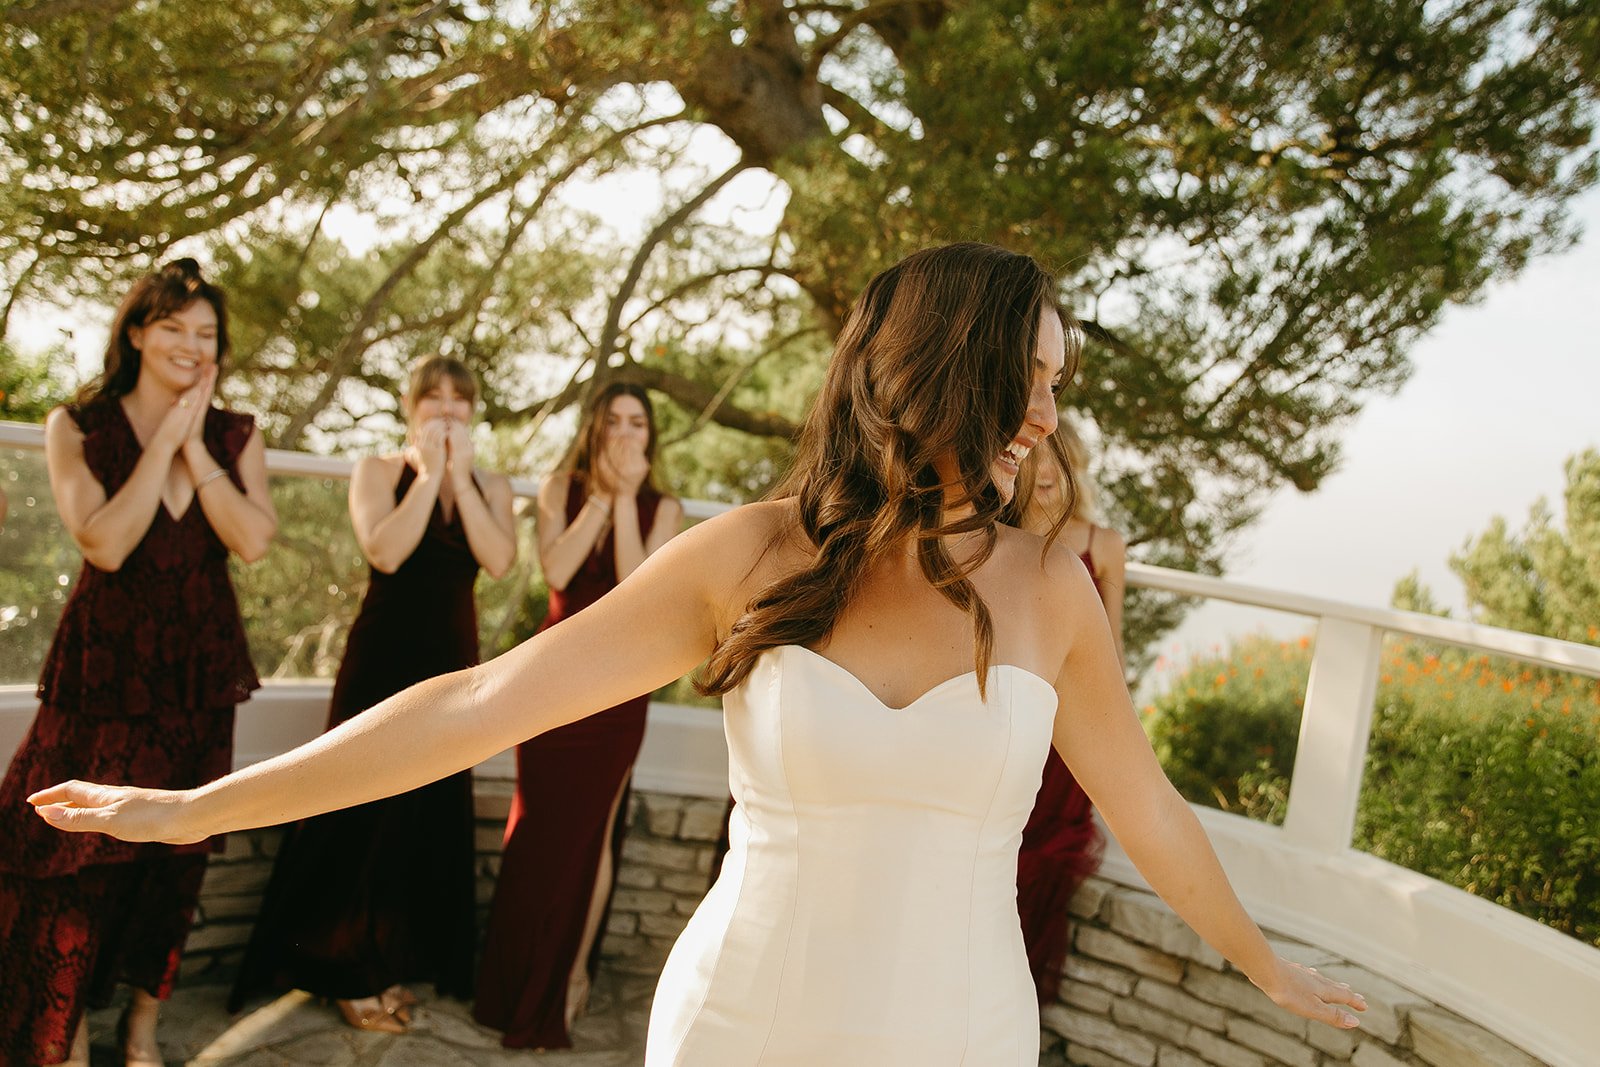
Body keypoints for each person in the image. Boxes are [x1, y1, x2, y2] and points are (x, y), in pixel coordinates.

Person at [32, 243, 1365, 1066]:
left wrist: (1266, 965)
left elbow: (1147, 804)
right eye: (1035, 373)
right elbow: (476, 699)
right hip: (745, 1021)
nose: (1050, 410)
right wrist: (197, 805)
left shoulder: (1052, 586)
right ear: (938, 370)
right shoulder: (751, 554)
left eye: (1059, 380)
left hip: (959, 1033)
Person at [1, 258, 276, 1067]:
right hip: (103, 668)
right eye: (173, 328)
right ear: (135, 331)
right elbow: (107, 542)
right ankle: (66, 1031)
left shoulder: (237, 434)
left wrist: (198, 447)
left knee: (174, 861)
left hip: (198, 669)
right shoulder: (77, 424)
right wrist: (164, 446)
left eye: (206, 333)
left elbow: (254, 540)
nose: (192, 345)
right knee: (72, 848)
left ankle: (143, 1030)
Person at [228, 356, 516, 1032]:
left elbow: (500, 561)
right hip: (384, 656)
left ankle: (386, 958)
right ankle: (337, 968)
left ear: (473, 410)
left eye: (459, 398)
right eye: (432, 397)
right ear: (410, 405)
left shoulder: (491, 483)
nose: (446, 408)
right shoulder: (377, 470)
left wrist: (460, 483)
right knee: (357, 804)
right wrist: (428, 477)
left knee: (424, 808)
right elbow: (385, 550)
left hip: (452, 664)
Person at [474, 382, 683, 1050]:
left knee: (594, 834)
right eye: (614, 422)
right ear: (594, 429)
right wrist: (599, 493)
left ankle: (567, 978)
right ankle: (506, 984)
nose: (626, 435)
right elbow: (559, 569)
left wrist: (626, 498)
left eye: (638, 424)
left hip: (620, 686)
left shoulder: (665, 505)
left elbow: (635, 591)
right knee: (534, 825)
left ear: (652, 437)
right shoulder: (560, 488)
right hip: (555, 675)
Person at [1010, 422, 1128, 1003]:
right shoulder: (1001, 539)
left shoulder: (1102, 545)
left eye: (1063, 463)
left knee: (1040, 858)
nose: (1050, 474)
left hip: (1070, 725)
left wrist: (1115, 730)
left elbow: (1115, 647)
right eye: (1039, 460)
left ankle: (1017, 998)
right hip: (1014, 712)